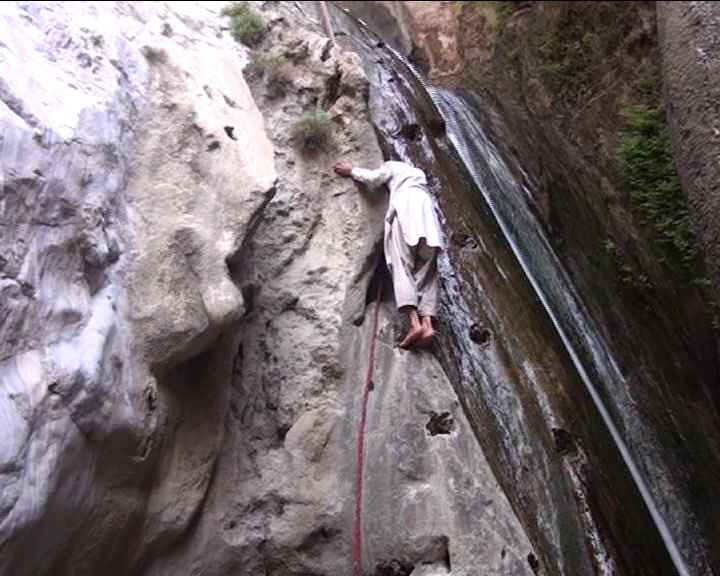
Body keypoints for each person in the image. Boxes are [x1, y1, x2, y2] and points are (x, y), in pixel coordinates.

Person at [334, 159, 444, 349]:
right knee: (428, 273)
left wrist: (352, 170)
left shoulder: (393, 165)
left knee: (401, 264)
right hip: (428, 219)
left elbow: (375, 178)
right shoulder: (419, 177)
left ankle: (414, 324)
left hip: (406, 210)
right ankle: (427, 324)